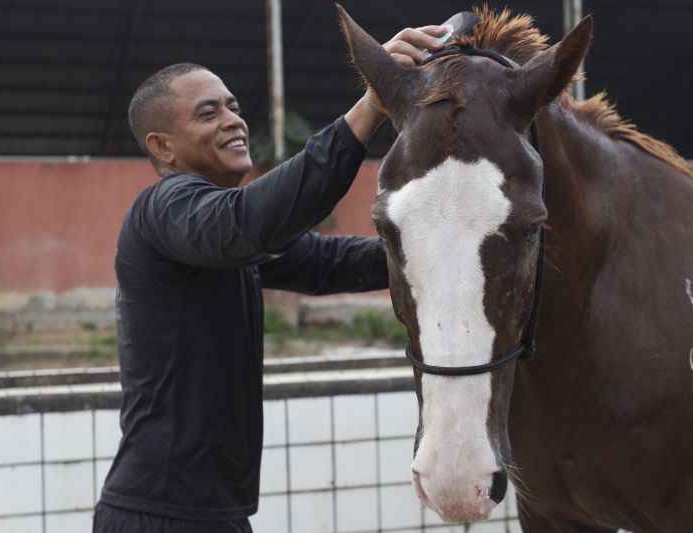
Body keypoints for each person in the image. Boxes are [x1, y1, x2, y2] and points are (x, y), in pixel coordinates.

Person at [91, 21, 449, 533]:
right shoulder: (166, 210)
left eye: (233, 106)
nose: (233, 120)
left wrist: (452, 246)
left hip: (215, 514)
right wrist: (371, 105)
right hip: (159, 515)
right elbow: (250, 222)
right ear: (163, 147)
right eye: (207, 113)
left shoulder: (216, 238)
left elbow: (334, 262)